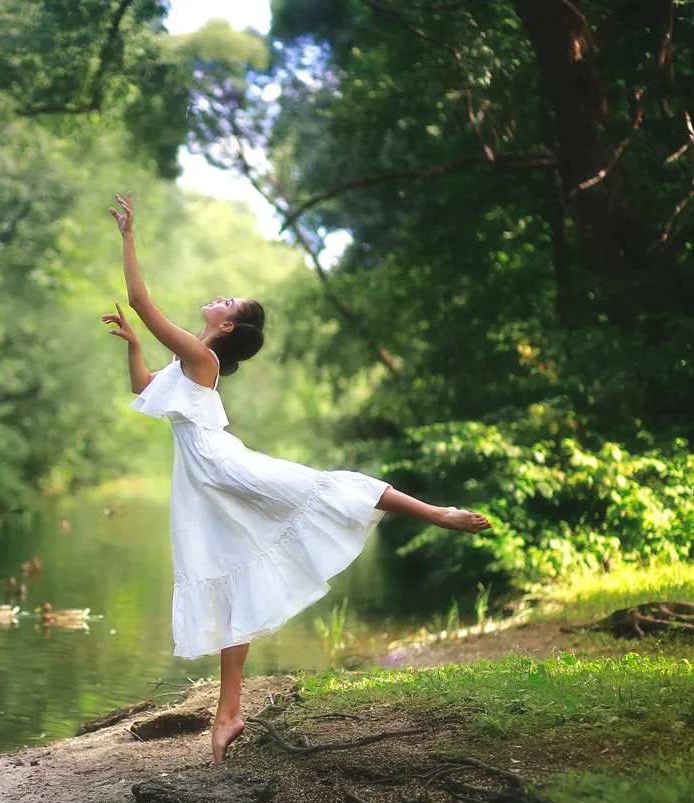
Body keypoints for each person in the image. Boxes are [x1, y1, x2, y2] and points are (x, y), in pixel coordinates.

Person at [103, 192, 491, 764]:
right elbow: (143, 387)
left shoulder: (201, 360)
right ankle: (228, 712)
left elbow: (140, 297)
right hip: (200, 483)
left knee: (331, 486)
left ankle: (437, 514)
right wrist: (135, 347)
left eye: (225, 300)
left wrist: (129, 236)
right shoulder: (186, 363)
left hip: (222, 467)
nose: (215, 297)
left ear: (226, 323)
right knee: (226, 574)